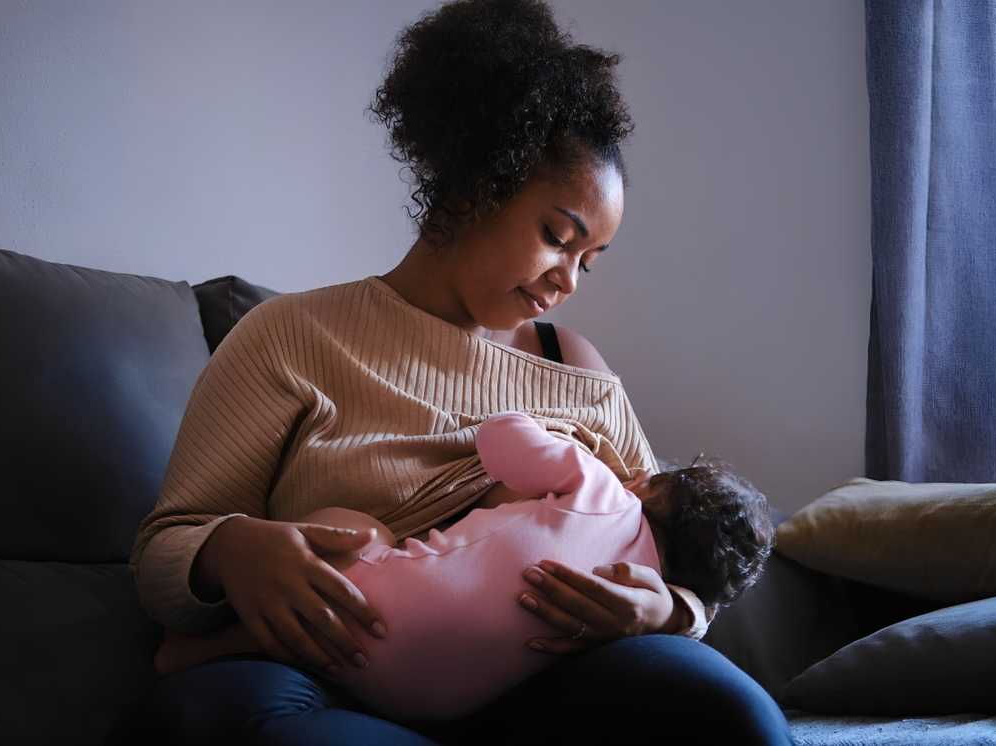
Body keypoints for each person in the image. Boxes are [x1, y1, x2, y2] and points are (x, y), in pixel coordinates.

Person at [124, 0, 796, 743]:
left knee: (734, 717)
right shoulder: (291, 337)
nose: (569, 279)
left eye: (589, 261)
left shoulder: (574, 368)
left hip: (541, 678)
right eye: (557, 237)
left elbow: (687, 555)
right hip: (338, 670)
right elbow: (164, 553)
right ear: (478, 183)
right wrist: (229, 550)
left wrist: (671, 610)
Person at [150, 411, 776, 726]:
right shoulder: (636, 579)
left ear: (653, 488)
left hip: (366, 611)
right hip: (441, 700)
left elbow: (501, 436)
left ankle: (226, 642)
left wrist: (565, 437)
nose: (568, 277)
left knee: (358, 531)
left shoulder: (606, 487)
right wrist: (681, 606)